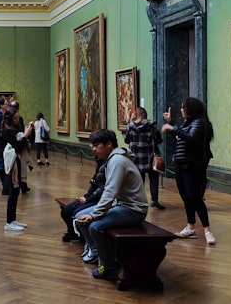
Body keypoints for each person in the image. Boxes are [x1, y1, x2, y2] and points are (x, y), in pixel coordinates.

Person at [74, 129, 149, 280]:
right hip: (121, 205)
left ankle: (108, 266)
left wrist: (94, 215)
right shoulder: (112, 159)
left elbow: (110, 191)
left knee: (95, 226)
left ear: (109, 144)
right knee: (79, 217)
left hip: (133, 210)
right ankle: (97, 252)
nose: (93, 149)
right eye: (92, 145)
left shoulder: (117, 161)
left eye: (96, 145)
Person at [162, 96, 215, 245]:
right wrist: (171, 124)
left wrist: (173, 127)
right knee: (186, 197)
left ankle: (207, 230)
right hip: (181, 163)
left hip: (193, 165)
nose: (181, 109)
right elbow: (181, 138)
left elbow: (191, 138)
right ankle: (190, 226)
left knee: (196, 197)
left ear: (190, 109)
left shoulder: (199, 123)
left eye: (183, 107)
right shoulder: (187, 123)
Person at [125, 106, 165, 209]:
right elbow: (159, 140)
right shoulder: (152, 126)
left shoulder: (130, 126)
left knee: (139, 179)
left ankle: (139, 200)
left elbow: (126, 140)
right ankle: (154, 200)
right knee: (154, 178)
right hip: (150, 156)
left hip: (136, 157)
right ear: (144, 115)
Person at [59, 156, 106, 243]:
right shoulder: (100, 162)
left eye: (96, 146)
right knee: (66, 209)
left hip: (101, 200)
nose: (93, 148)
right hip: (93, 198)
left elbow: (103, 189)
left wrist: (87, 200)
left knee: (75, 212)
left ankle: (83, 236)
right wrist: (86, 197)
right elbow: (94, 183)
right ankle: (74, 233)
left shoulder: (109, 164)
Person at [0, 105, 32, 231]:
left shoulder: (13, 128)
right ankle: (9, 222)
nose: (18, 120)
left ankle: (13, 219)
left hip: (18, 161)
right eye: (15, 118)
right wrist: (25, 135)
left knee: (16, 191)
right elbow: (18, 145)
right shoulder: (7, 130)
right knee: (13, 191)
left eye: (18, 118)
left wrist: (28, 132)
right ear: (9, 119)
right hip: (13, 162)